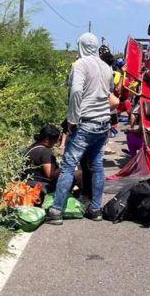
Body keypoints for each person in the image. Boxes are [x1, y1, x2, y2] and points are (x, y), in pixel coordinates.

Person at [46, 32, 117, 225]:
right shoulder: (106, 67)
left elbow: (76, 90)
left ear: (81, 46)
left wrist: (72, 118)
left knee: (69, 165)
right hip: (103, 123)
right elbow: (110, 92)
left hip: (85, 122)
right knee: (97, 166)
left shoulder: (80, 65)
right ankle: (95, 209)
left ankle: (56, 210)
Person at [23, 124, 62, 194]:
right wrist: (64, 168)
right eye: (55, 140)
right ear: (47, 139)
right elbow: (50, 175)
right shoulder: (45, 152)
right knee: (78, 175)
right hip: (41, 187)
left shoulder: (31, 148)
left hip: (27, 185)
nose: (56, 143)